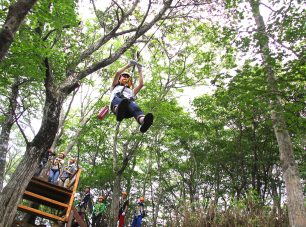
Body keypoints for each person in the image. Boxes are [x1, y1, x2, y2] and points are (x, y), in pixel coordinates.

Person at [110, 60, 154, 133]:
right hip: (117, 106)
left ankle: (143, 121)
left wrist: (140, 70)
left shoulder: (131, 91)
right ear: (119, 79)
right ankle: (119, 110)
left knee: (135, 106)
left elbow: (141, 85)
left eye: (127, 77)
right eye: (124, 76)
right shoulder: (115, 86)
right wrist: (128, 65)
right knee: (118, 98)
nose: (126, 78)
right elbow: (118, 73)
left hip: (128, 110)